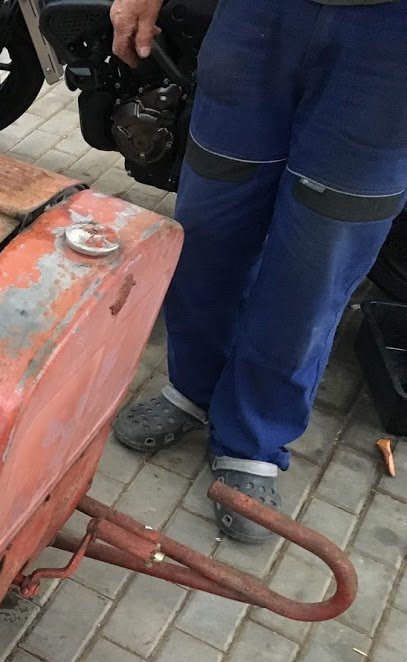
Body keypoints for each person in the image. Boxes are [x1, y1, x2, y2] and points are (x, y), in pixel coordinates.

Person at [108, 0, 407, 542]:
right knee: (207, 232)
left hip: (390, 46)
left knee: (315, 267)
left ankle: (252, 439)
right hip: (259, 17)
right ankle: (193, 388)